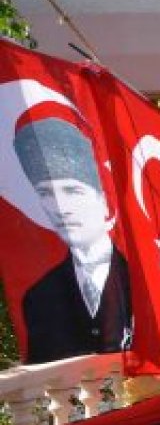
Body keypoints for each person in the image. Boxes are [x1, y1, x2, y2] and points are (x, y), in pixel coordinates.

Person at [16, 117, 132, 364]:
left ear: (103, 200)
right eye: (45, 193)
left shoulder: (140, 282)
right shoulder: (38, 296)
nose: (60, 207)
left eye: (72, 190)